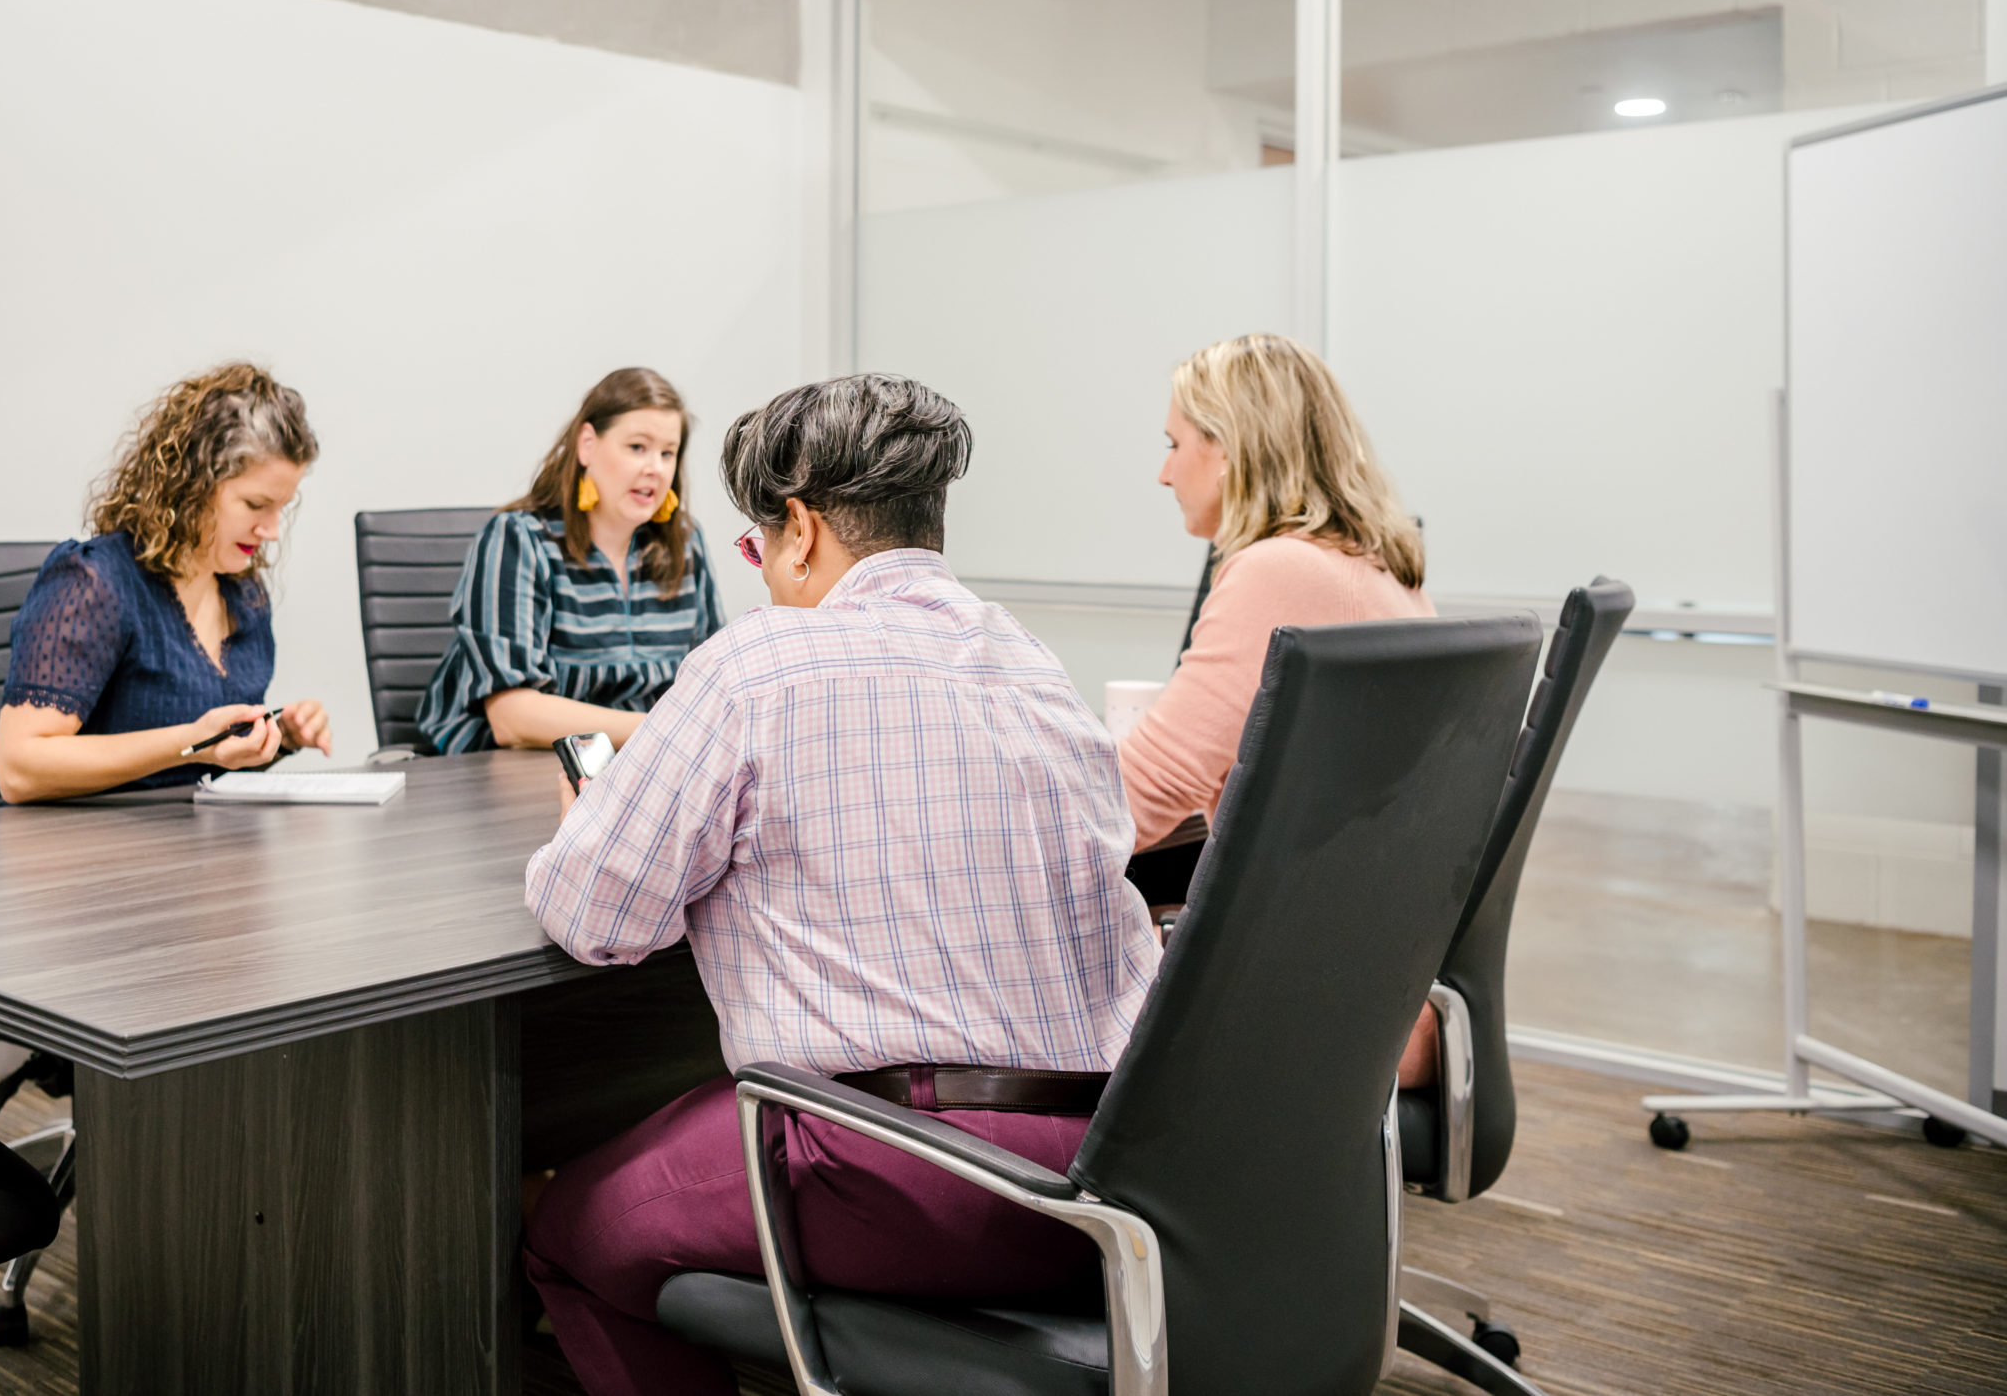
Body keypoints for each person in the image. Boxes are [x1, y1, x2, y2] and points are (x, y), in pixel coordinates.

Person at [520, 374, 1160, 1396]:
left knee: (566, 1227)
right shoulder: (1032, 661)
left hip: (897, 1172)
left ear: (801, 529)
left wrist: (588, 822)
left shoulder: (759, 663)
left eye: (757, 544)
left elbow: (596, 916)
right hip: (1114, 1182)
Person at [1118, 331, 1441, 1078]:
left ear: (1228, 447)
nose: (1165, 473)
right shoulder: (1379, 568)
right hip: (1374, 976)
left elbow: (1143, 791)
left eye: (1175, 443)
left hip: (1301, 989)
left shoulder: (1278, 568)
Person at [0, 362, 334, 803]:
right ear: (194, 484)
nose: (271, 530)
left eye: (281, 509)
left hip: (200, 849)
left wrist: (279, 737)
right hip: (95, 857)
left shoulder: (243, 594)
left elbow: (206, 762)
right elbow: (18, 769)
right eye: (255, 504)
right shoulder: (95, 581)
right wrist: (191, 739)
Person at [415, 368, 723, 755]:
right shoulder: (519, 539)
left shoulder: (686, 543)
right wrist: (663, 728)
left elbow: (713, 688)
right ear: (587, 445)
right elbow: (513, 717)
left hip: (635, 769)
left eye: (668, 453)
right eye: (637, 447)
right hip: (507, 772)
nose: (655, 469)